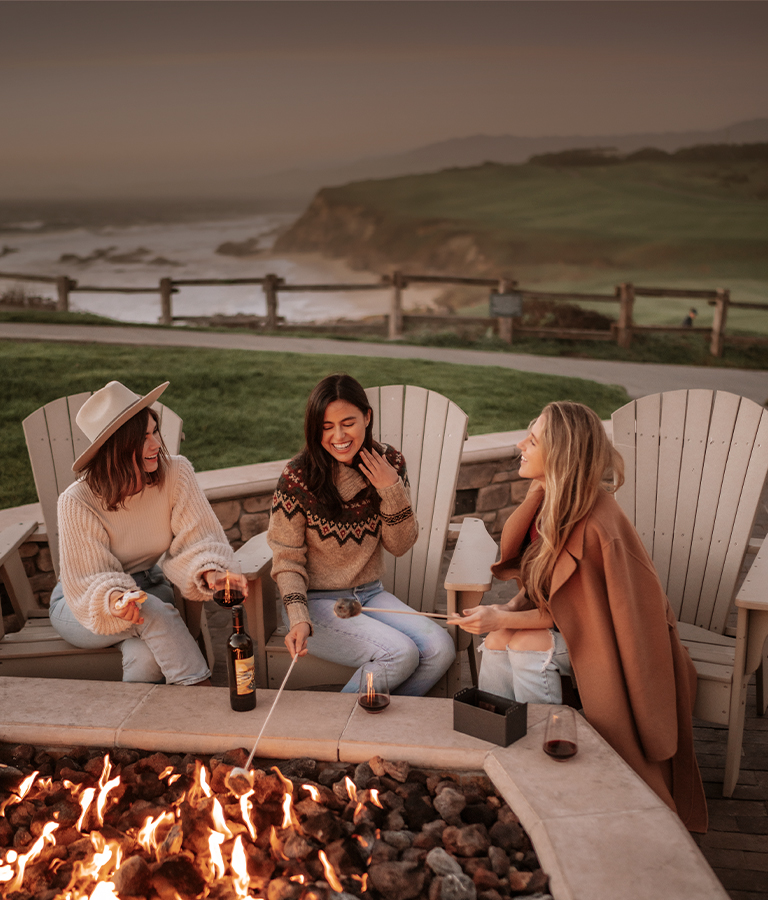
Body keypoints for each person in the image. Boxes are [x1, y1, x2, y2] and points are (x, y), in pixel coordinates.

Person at [455, 401, 707, 832]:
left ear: (561, 455)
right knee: (497, 641)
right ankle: (500, 753)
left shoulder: (595, 524)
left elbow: (574, 615)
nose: (520, 445)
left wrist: (503, 619)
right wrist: (505, 610)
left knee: (525, 644)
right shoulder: (549, 502)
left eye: (533, 440)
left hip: (620, 642)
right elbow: (544, 586)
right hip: (577, 627)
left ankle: (549, 761)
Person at [267, 373, 455, 695]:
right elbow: (287, 558)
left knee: (440, 649)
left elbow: (400, 545)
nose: (338, 436)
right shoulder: (298, 477)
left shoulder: (390, 463)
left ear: (367, 417)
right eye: (327, 426)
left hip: (370, 594)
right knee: (400, 653)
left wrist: (390, 488)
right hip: (315, 604)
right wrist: (298, 616)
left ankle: (379, 718)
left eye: (348, 423)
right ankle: (342, 723)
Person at [49, 380, 246, 685]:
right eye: (143, 439)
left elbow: (197, 538)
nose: (156, 444)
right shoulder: (77, 501)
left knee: (146, 658)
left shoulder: (176, 474)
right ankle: (201, 692)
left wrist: (211, 571)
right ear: (116, 447)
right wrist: (116, 598)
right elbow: (88, 578)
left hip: (150, 589)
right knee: (150, 609)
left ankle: (134, 719)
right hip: (84, 603)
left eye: (155, 432)